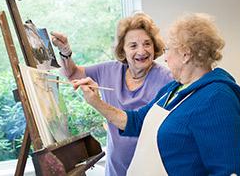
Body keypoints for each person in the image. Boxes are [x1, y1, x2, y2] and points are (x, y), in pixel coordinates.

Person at [72, 13, 240, 176]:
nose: (164, 58)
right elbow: (136, 122)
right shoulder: (173, 89)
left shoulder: (218, 97)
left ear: (185, 54)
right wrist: (96, 102)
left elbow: (227, 171)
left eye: (168, 50)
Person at [51, 12, 172, 176]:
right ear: (122, 48)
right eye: (133, 45)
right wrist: (65, 50)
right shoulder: (109, 70)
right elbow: (71, 73)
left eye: (147, 44)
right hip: (115, 169)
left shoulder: (167, 79)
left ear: (154, 46)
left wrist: (97, 102)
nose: (141, 51)